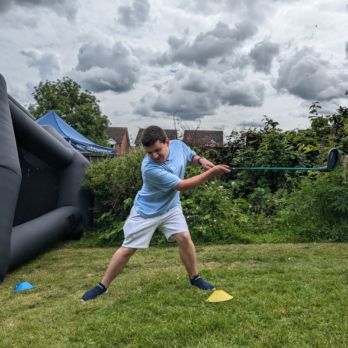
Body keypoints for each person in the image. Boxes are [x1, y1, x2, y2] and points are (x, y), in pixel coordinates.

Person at [81, 126, 230, 302]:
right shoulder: (149, 168)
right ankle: (102, 286)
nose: (154, 156)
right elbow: (181, 186)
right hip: (146, 211)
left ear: (167, 142)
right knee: (128, 249)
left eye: (157, 150)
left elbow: (190, 155)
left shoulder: (178, 146)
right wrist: (212, 172)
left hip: (171, 207)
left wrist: (201, 161)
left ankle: (195, 278)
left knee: (184, 238)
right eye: (149, 152)